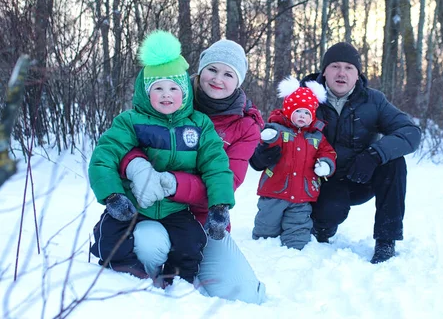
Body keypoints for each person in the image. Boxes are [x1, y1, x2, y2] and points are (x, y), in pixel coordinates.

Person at [120, 39, 266, 303]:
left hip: (203, 222)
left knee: (244, 295)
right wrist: (136, 164)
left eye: (228, 74)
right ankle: (148, 290)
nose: (218, 79)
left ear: (239, 81)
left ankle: (190, 269)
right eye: (212, 69)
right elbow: (128, 136)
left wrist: (172, 183)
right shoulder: (170, 92)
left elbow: (225, 183)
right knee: (148, 245)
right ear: (200, 69)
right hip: (153, 210)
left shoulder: (245, 127)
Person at [254, 42, 422, 264]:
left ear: (357, 74)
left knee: (394, 164)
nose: (342, 73)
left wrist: (374, 155)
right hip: (321, 182)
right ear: (324, 71)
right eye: (335, 66)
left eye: (349, 68)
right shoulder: (304, 97)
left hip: (361, 175)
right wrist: (260, 154)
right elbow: (277, 126)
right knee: (330, 210)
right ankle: (322, 227)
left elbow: (410, 132)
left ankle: (386, 240)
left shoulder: (374, 100)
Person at [88, 30, 235, 284]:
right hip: (134, 202)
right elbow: (104, 156)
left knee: (192, 242)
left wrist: (219, 205)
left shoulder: (199, 125)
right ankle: (124, 265)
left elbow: (216, 166)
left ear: (186, 93)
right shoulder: (130, 121)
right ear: (146, 93)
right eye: (158, 88)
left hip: (174, 207)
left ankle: (177, 277)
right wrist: (113, 195)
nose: (166, 94)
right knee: (110, 235)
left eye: (173, 88)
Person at [251, 77, 336, 250]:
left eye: (307, 113)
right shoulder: (279, 129)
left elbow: (328, 152)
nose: (302, 116)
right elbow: (270, 139)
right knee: (266, 225)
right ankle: (263, 244)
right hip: (274, 190)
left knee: (298, 226)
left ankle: (295, 244)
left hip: (302, 193)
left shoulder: (317, 136)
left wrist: (326, 164)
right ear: (288, 111)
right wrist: (268, 137)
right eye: (298, 111)